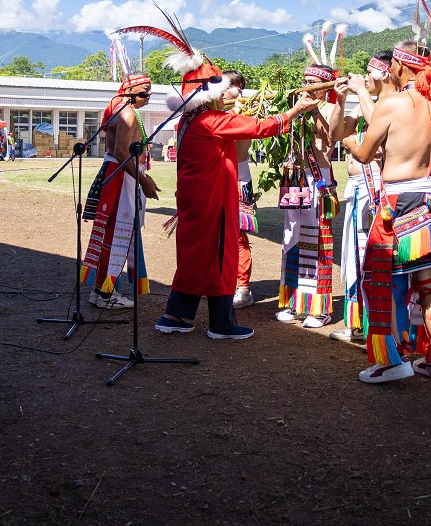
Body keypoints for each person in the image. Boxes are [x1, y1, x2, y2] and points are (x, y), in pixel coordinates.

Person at [151, 37, 319, 340]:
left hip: (196, 201)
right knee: (220, 258)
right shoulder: (211, 121)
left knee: (195, 258)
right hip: (213, 202)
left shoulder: (190, 120)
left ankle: (178, 315)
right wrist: (293, 112)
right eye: (223, 88)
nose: (229, 93)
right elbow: (258, 128)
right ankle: (221, 323)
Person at [343, 40, 431, 384]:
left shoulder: (392, 103)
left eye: (393, 62)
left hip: (398, 204)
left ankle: (393, 361)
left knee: (379, 279)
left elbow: (365, 155)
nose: (390, 68)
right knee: (429, 286)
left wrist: (348, 140)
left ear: (400, 65)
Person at [329, 51, 395, 342]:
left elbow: (379, 127)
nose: (365, 77)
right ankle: (356, 322)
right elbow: (335, 134)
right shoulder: (364, 104)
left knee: (376, 256)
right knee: (353, 256)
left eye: (369, 72)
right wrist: (341, 101)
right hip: (358, 189)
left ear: (385, 73)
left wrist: (359, 93)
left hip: (380, 188)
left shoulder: (392, 104)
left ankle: (375, 324)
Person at [81, 73, 160, 310]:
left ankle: (102, 291)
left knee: (112, 235)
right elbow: (120, 152)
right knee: (117, 236)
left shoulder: (122, 111)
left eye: (150, 92)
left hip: (117, 175)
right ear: (130, 92)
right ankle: (106, 294)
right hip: (119, 177)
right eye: (144, 92)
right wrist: (143, 180)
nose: (148, 97)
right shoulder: (127, 113)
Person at [277, 63, 345, 329]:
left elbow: (330, 137)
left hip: (318, 181)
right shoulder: (294, 107)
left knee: (317, 243)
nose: (306, 84)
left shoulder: (330, 109)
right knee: (290, 238)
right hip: (295, 180)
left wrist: (314, 108)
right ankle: (293, 300)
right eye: (304, 79)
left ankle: (319, 307)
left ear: (324, 86)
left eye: (312, 81)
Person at [222, 70, 258, 309]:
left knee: (236, 237)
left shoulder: (245, 111)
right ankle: (222, 282)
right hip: (219, 177)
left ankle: (243, 288)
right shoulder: (220, 110)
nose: (220, 90)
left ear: (237, 88)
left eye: (223, 86)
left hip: (237, 179)